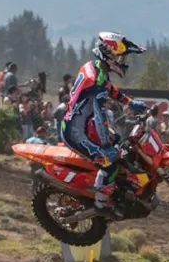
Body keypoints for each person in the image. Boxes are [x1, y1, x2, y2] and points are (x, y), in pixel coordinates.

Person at [61, 32, 148, 216]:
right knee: (110, 164)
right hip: (76, 132)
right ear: (109, 55)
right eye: (121, 57)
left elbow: (110, 89)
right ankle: (101, 206)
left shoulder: (95, 68)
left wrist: (130, 103)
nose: (124, 62)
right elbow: (100, 115)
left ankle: (118, 189)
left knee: (120, 144)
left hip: (83, 123)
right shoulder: (97, 80)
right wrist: (106, 145)